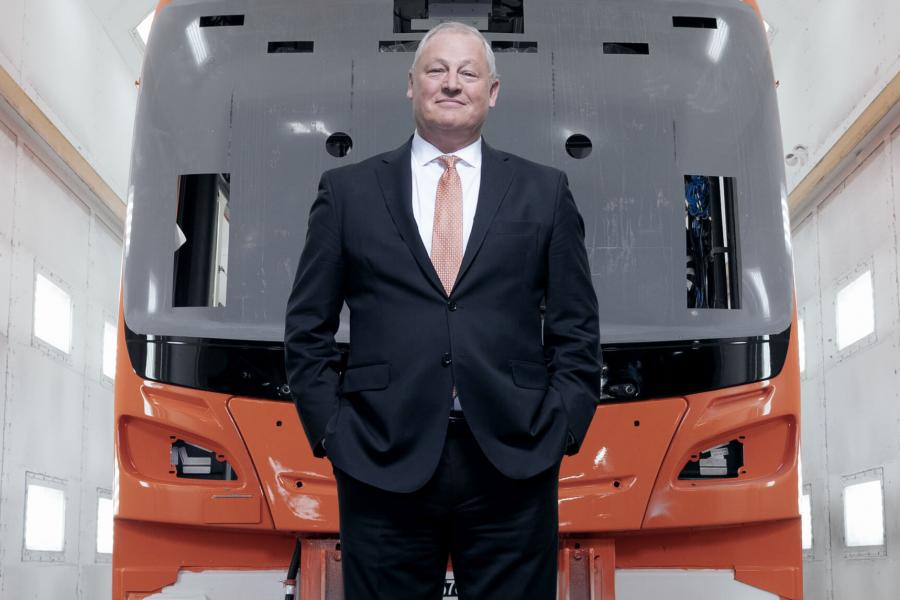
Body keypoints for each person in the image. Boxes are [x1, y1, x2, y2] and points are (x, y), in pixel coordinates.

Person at [284, 21, 601, 599]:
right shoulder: (347, 191)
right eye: (436, 70)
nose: (451, 84)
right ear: (412, 85)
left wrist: (565, 423)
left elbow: (576, 328)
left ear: (492, 91)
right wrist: (333, 431)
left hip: (516, 456)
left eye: (468, 72)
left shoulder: (545, 190)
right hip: (380, 457)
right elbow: (308, 326)